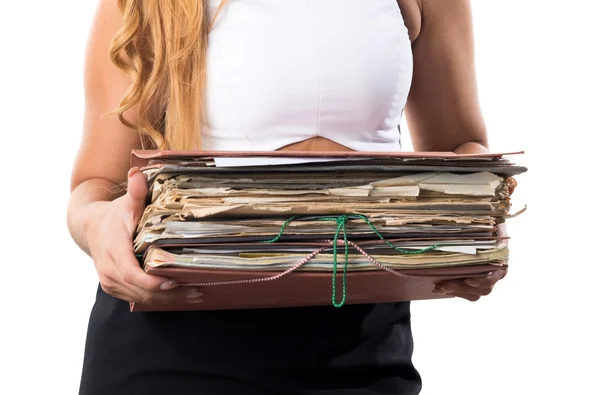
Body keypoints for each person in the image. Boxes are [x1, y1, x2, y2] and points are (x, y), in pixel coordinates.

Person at [67, 0, 506, 394]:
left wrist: (482, 216)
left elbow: (460, 145)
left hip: (361, 342)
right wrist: (100, 226)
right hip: (172, 338)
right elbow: (94, 187)